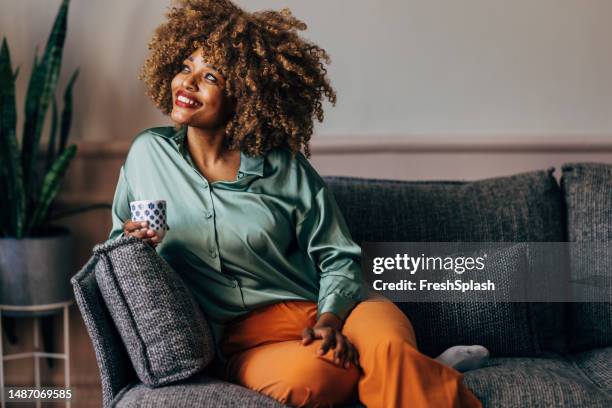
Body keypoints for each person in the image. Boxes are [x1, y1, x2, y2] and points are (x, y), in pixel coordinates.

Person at [108, 1, 488, 406]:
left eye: (210, 76)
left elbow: (338, 257)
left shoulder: (284, 166)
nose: (187, 83)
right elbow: (119, 254)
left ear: (243, 94)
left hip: (337, 307)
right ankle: (428, 372)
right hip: (246, 340)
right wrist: (133, 243)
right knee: (314, 379)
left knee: (387, 348)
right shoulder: (147, 154)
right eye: (185, 67)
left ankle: (406, 367)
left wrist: (330, 319)